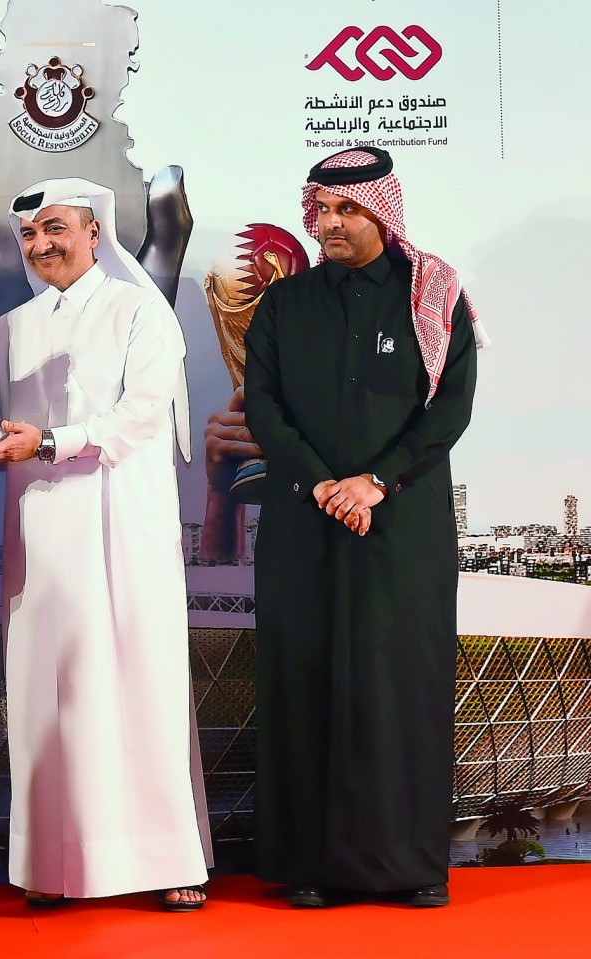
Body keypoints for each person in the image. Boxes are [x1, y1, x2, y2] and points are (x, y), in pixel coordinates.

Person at [244, 148, 484, 909]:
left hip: (401, 524)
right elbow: (265, 409)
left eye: (348, 209)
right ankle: (310, 865)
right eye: (321, 208)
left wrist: (377, 481)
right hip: (303, 520)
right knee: (304, 682)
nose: (331, 223)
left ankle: (409, 864)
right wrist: (321, 481)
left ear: (383, 211)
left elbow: (449, 408)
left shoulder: (434, 296)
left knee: (398, 687)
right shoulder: (285, 306)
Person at [0, 177, 211, 910]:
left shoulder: (139, 308)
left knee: (142, 683)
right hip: (42, 537)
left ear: (93, 231)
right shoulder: (11, 326)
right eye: (30, 235)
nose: (42, 244)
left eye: (56, 229)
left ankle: (169, 858)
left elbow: (142, 415)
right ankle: (56, 863)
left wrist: (52, 438)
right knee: (53, 696)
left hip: (124, 530)